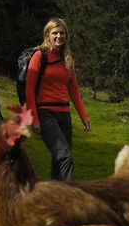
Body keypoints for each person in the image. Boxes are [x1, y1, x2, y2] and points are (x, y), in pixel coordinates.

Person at [26, 17, 91, 181]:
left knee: (58, 159)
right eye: (55, 33)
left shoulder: (68, 59)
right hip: (45, 113)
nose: (58, 37)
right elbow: (29, 89)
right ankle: (67, 198)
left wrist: (84, 116)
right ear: (47, 35)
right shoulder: (39, 56)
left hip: (64, 114)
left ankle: (52, 200)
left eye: (62, 33)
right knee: (65, 157)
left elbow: (74, 90)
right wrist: (34, 119)